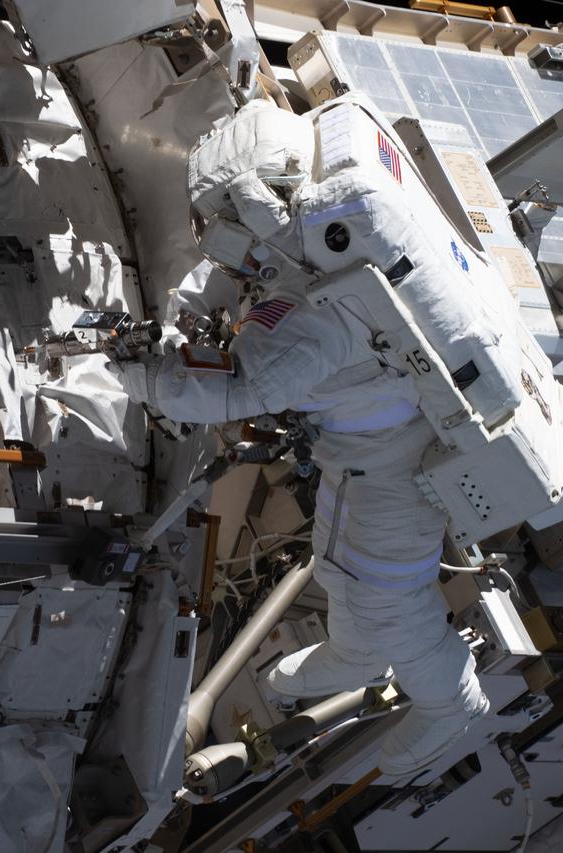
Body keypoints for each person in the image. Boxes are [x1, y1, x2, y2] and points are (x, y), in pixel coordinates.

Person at [113, 98, 490, 778]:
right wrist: (184, 315)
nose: (210, 233)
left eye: (217, 217)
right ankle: (356, 655)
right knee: (337, 563)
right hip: (365, 462)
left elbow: (237, 387)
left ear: (260, 200)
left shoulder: (321, 316)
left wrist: (136, 378)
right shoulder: (319, 246)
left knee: (387, 596)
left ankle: (452, 702)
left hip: (389, 481)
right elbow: (246, 282)